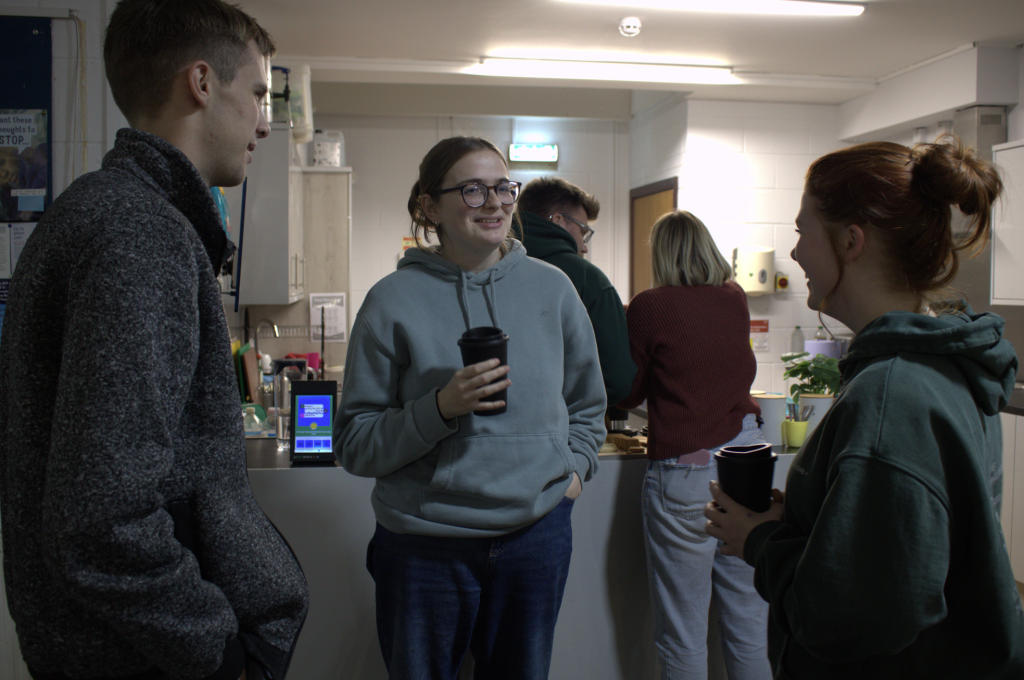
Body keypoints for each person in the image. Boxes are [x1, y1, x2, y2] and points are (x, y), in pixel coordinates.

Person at [0, 2, 310, 679]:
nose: (264, 122)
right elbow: (101, 518)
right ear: (201, 82)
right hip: (147, 659)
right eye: (258, 93)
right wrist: (215, 649)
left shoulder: (99, 210)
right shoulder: (141, 233)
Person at [704, 136, 1024, 679]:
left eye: (802, 231)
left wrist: (758, 541)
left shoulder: (891, 396)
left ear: (852, 241)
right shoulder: (949, 366)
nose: (796, 253)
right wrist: (809, 524)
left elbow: (850, 615)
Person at [336, 136, 607, 680]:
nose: (495, 203)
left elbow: (587, 406)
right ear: (430, 207)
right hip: (423, 543)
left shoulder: (554, 290)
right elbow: (356, 444)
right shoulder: (391, 300)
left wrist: (573, 474)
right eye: (473, 190)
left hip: (535, 536)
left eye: (504, 188)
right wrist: (439, 408)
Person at [618, 210, 770, 680]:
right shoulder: (735, 297)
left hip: (687, 472)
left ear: (662, 254)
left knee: (683, 635)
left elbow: (627, 392)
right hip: (746, 464)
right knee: (749, 627)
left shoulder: (649, 306)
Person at [518, 176, 636, 408]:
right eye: (583, 231)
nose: (584, 246)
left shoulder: (487, 266)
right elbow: (617, 381)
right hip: (566, 424)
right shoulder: (588, 279)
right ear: (558, 221)